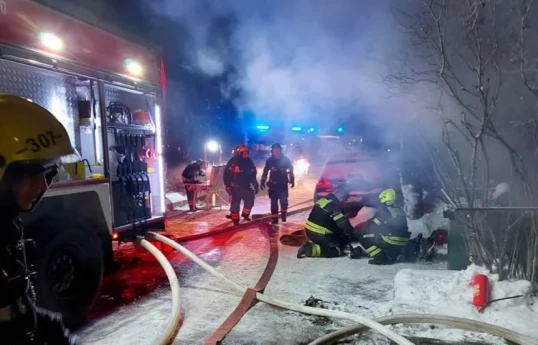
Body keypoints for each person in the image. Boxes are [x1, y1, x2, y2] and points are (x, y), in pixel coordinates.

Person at [0, 94, 77, 344]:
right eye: (32, 173)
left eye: (49, 173)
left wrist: (51, 330)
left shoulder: (6, 224)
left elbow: (13, 311)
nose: (43, 185)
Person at [352, 188, 411, 265]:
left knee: (365, 237)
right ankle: (393, 255)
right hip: (403, 241)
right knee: (382, 235)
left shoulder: (384, 209)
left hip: (391, 239)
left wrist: (362, 227)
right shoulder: (399, 210)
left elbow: (374, 224)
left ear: (384, 198)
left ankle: (379, 258)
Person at [297, 188, 355, 258]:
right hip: (319, 234)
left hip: (309, 230)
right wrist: (350, 231)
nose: (345, 201)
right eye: (345, 199)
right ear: (341, 197)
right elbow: (341, 222)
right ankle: (309, 249)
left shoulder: (324, 200)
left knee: (339, 237)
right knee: (335, 251)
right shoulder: (334, 205)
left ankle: (320, 244)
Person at [223, 145, 259, 225]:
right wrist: (228, 185)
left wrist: (255, 185)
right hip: (235, 187)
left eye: (247, 152)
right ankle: (235, 219)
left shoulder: (249, 161)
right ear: (239, 153)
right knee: (235, 204)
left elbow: (253, 175)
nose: (246, 154)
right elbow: (227, 174)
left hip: (246, 186)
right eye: (244, 152)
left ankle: (245, 214)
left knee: (250, 201)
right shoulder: (233, 161)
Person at [260, 143, 294, 224]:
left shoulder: (286, 159)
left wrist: (292, 180)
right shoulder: (270, 161)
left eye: (278, 150)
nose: (276, 152)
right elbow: (265, 171)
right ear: (272, 151)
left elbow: (290, 170)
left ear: (280, 150)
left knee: (284, 202)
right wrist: (262, 181)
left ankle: (283, 214)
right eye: (275, 150)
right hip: (273, 185)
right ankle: (274, 219)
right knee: (274, 203)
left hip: (283, 185)